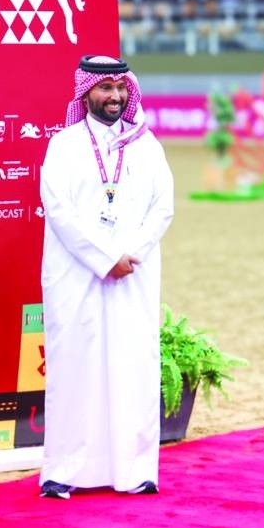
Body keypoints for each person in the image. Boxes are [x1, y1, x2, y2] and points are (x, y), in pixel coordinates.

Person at [38, 55, 174, 499]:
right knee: (75, 367)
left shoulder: (146, 145)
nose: (114, 96)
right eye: (105, 88)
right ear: (86, 93)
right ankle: (65, 471)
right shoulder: (63, 145)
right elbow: (59, 211)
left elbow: (163, 207)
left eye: (120, 88)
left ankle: (134, 471)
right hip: (76, 277)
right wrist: (104, 257)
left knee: (131, 366)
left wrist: (129, 254)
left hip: (133, 275)